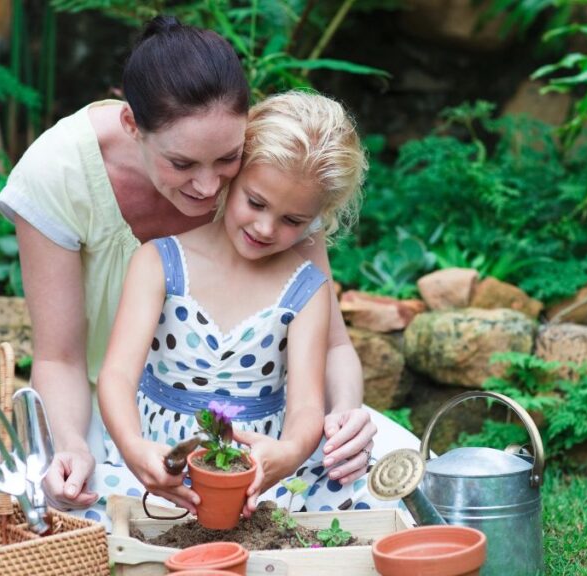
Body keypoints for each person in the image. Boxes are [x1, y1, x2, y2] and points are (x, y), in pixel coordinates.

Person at [0, 16, 406, 513]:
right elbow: (60, 359)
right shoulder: (60, 173)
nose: (209, 188)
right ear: (132, 126)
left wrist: (341, 417)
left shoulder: (276, 173)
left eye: (227, 160)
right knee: (68, 500)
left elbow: (331, 347)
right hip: (111, 414)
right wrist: (74, 446)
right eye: (183, 164)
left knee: (388, 482)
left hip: (262, 425)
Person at [96, 90, 385, 519]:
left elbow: (306, 404)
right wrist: (135, 447)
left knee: (356, 506)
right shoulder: (160, 261)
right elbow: (118, 374)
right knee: (94, 507)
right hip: (164, 463)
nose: (266, 228)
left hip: (259, 472)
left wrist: (287, 453)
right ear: (232, 175)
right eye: (256, 202)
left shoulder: (305, 287)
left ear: (317, 218)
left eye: (293, 220)